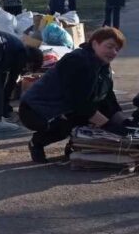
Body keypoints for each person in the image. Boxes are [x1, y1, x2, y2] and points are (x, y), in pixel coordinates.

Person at [20, 27, 127, 163]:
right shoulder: (77, 61)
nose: (113, 52)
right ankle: (37, 143)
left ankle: (76, 144)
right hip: (36, 110)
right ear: (94, 43)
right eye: (109, 47)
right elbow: (79, 103)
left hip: (64, 107)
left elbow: (107, 97)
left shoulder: (103, 65)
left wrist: (124, 122)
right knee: (73, 121)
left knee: (97, 115)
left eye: (117, 49)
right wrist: (108, 125)